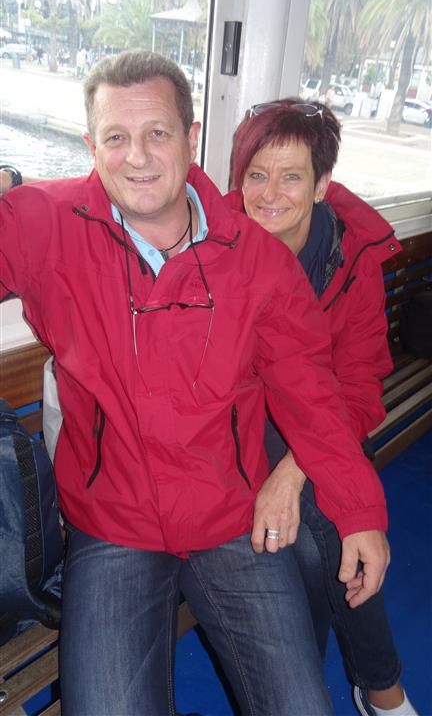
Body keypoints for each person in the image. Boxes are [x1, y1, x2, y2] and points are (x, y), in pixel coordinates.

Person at [1, 51, 390, 716]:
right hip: (114, 524)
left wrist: (360, 513)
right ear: (91, 146)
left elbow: (314, 397)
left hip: (230, 519)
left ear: (191, 135)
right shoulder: (44, 225)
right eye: (116, 137)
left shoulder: (258, 261)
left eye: (157, 132)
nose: (137, 157)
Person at [226, 97, 418, 716]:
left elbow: (359, 388)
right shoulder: (214, 242)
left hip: (323, 422)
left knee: (317, 530)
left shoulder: (351, 258)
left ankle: (350, 685)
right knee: (317, 540)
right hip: (238, 424)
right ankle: (376, 689)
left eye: (291, 176)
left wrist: (293, 471)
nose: (269, 194)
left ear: (321, 185)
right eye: (257, 174)